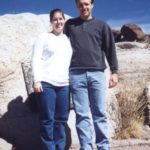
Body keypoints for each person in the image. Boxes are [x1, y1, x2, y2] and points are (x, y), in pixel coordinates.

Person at [64, 0, 118, 149]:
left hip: (97, 73)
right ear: (77, 6)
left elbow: (110, 49)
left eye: (86, 4)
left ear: (92, 5)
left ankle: (103, 147)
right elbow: (61, 45)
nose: (84, 7)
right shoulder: (70, 25)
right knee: (82, 115)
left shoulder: (102, 25)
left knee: (99, 113)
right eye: (80, 4)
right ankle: (86, 147)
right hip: (76, 74)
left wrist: (114, 72)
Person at [31, 8, 72, 150]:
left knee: (61, 120)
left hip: (64, 85)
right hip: (46, 84)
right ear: (51, 22)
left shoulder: (67, 40)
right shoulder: (43, 37)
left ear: (64, 21)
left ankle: (60, 147)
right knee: (47, 120)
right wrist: (37, 80)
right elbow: (35, 59)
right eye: (55, 19)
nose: (58, 22)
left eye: (60, 19)